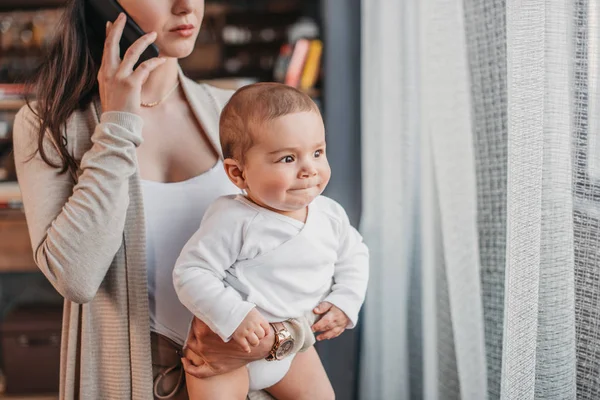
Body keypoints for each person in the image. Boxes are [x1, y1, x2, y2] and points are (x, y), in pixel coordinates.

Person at [12, 1, 313, 398]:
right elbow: (76, 278)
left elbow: (303, 256)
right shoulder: (48, 124)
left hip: (251, 383)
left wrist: (280, 338)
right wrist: (117, 126)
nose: (186, 5)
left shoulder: (233, 111)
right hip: (127, 383)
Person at [173, 83, 369, 399]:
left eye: (317, 152)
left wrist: (347, 300)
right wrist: (233, 314)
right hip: (226, 350)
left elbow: (355, 254)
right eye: (287, 159)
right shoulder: (232, 218)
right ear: (238, 174)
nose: (309, 170)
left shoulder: (329, 214)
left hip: (293, 351)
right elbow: (191, 273)